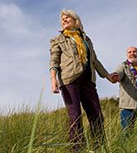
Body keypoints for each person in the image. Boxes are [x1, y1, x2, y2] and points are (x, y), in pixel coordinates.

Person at [49, 9, 116, 151]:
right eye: (63, 18)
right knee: (75, 116)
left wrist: (108, 76)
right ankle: (77, 149)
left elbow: (95, 61)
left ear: (75, 21)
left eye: (68, 18)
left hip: (88, 79)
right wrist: (53, 79)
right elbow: (54, 61)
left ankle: (99, 147)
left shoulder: (86, 39)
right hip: (69, 80)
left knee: (96, 114)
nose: (64, 20)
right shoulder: (58, 40)